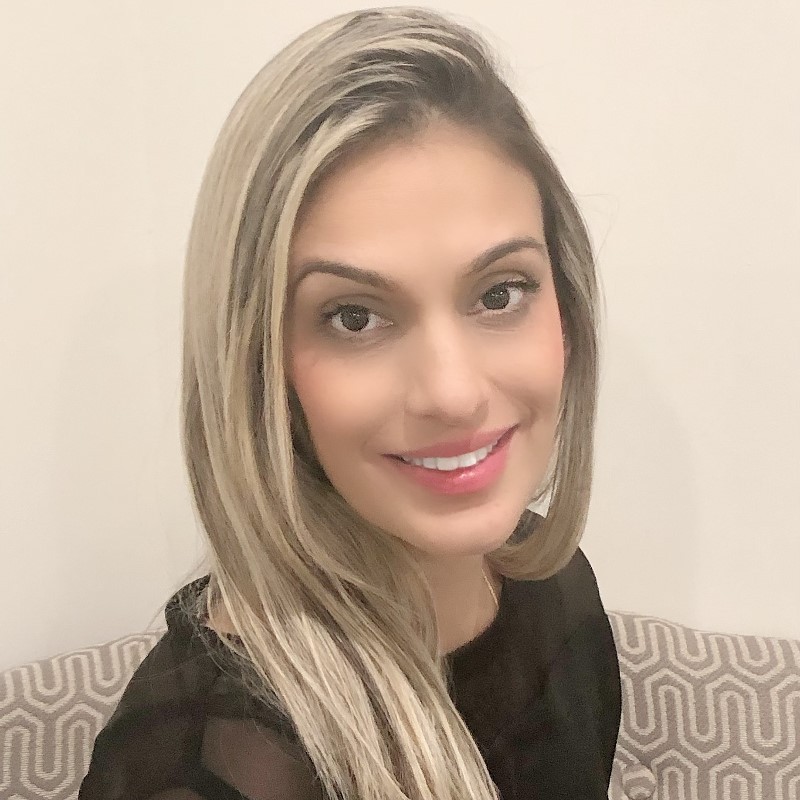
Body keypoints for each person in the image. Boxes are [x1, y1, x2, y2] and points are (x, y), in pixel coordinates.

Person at [78, 6, 621, 799]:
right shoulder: (208, 766)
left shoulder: (555, 586)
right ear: (262, 368)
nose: (452, 392)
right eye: (356, 317)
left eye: (500, 293)